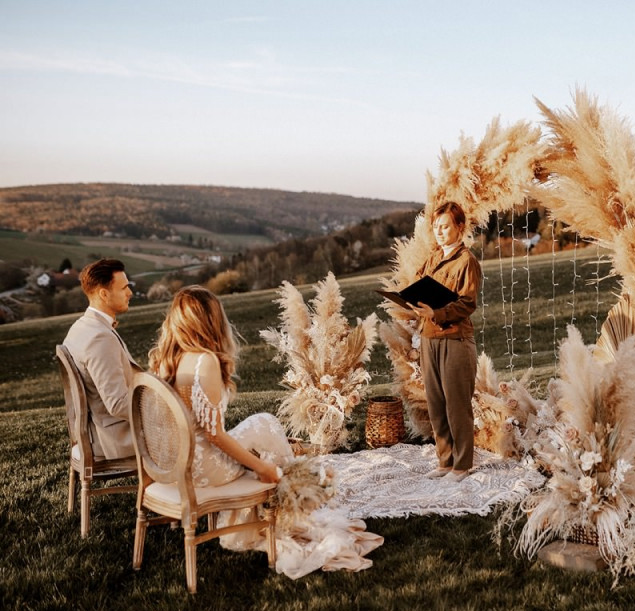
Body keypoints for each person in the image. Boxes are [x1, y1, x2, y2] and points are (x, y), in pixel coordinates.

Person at [148, 285, 382, 577]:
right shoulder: (204, 361)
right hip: (205, 469)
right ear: (210, 320)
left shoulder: (168, 359)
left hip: (178, 464)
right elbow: (214, 435)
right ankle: (294, 500)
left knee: (263, 426)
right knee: (266, 426)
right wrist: (261, 467)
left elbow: (202, 431)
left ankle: (290, 493)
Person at [410, 201, 482, 483]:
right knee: (436, 403)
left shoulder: (467, 262)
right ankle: (445, 461)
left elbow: (467, 303)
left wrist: (437, 312)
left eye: (445, 226)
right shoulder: (433, 258)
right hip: (429, 337)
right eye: (436, 227)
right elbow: (417, 282)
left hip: (455, 339)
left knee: (456, 404)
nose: (439, 232)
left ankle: (462, 465)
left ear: (460, 227)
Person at [63, 258, 138, 460]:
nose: (130, 293)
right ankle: (170, 490)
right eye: (124, 288)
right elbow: (117, 403)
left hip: (97, 431)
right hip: (113, 439)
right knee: (189, 427)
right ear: (104, 294)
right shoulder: (99, 337)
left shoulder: (81, 327)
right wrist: (162, 403)